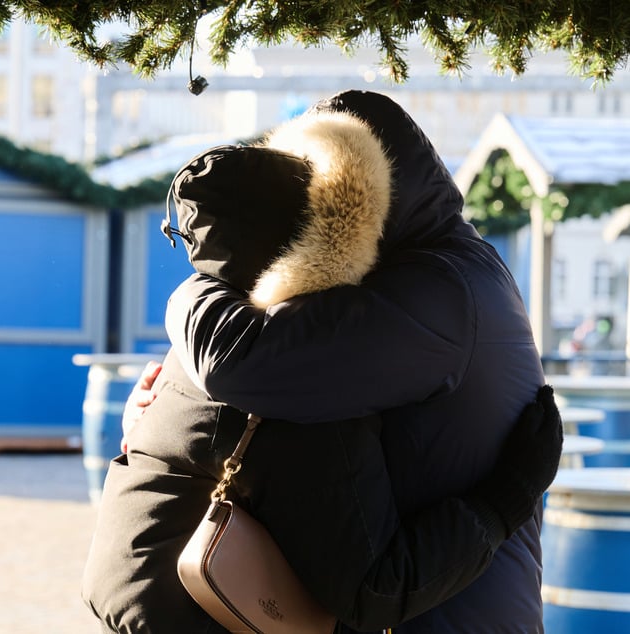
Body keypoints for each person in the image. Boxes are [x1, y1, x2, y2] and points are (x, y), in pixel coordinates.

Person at [82, 103, 562, 633]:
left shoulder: (268, 337)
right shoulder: (300, 368)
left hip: (137, 602)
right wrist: (507, 497)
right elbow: (376, 587)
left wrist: (195, 286)